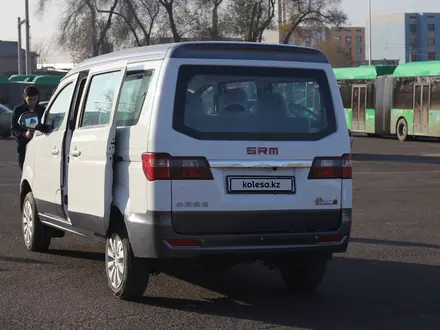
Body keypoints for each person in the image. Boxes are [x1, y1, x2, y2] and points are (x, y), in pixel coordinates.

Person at [11, 86, 46, 171]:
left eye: (35, 99)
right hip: (23, 147)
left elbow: (47, 126)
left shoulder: (42, 110)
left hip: (39, 146)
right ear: (24, 97)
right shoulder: (18, 110)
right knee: (26, 172)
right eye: (29, 100)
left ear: (38, 98)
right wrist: (24, 134)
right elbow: (13, 129)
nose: (32, 102)